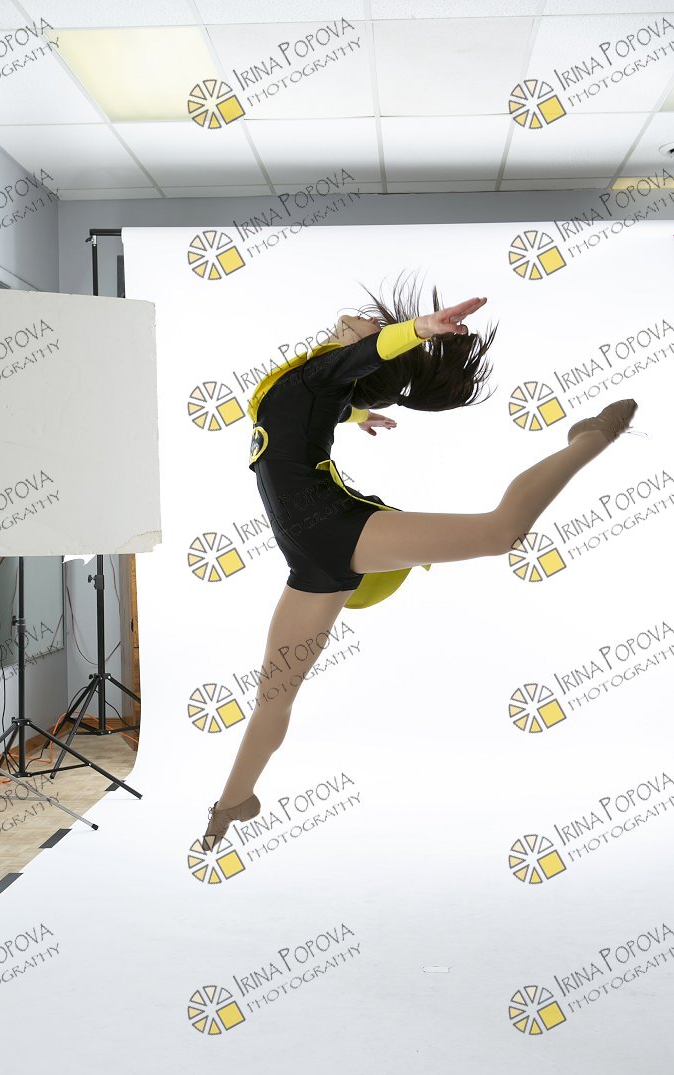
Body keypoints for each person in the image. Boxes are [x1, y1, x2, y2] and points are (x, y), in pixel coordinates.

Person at [201, 276, 638, 851]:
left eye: (374, 329)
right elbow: (308, 404)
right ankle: (233, 802)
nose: (364, 321)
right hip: (308, 562)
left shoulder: (325, 372)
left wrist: (420, 330)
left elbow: (365, 356)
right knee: (274, 693)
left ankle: (590, 439)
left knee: (499, 531)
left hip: (338, 527)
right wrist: (357, 416)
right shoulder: (314, 381)